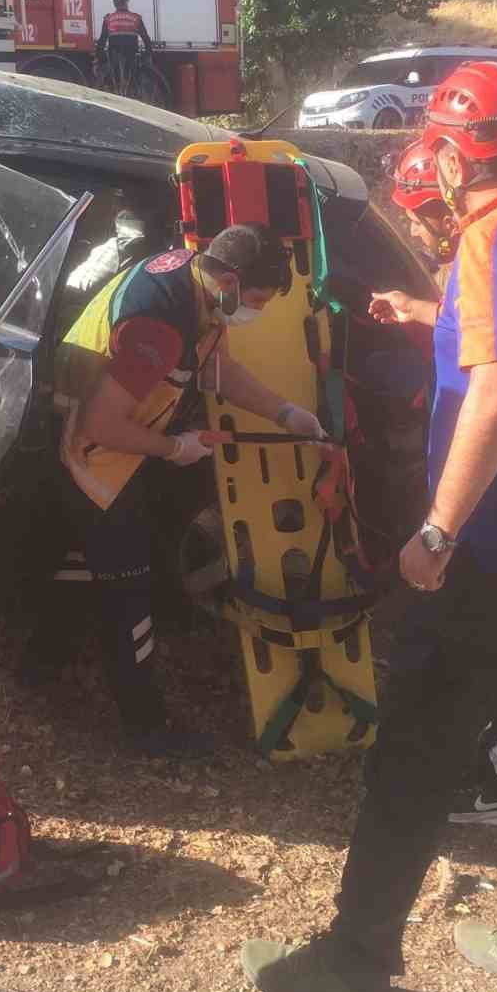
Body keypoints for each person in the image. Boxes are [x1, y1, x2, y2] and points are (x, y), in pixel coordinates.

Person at [242, 61, 497, 992]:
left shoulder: (491, 239)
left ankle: (353, 965)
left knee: (415, 752)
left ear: (460, 156)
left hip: (494, 558)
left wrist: (436, 529)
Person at [44, 221, 324, 757]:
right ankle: (145, 728)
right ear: (231, 280)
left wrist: (285, 413)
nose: (258, 312)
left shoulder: (194, 280)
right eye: (258, 300)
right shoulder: (159, 322)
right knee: (126, 586)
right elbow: (99, 427)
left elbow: (214, 366)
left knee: (128, 553)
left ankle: (50, 660)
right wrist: (177, 448)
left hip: (122, 428)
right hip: (92, 450)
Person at [373, 141, 497, 830]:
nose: (410, 229)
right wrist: (417, 309)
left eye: (412, 216)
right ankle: (490, 773)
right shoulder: (472, 263)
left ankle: (493, 784)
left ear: (440, 204)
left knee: (471, 635)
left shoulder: (482, 256)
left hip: (479, 489)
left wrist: (442, 526)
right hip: (477, 484)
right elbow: (478, 335)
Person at [96, 0, 153, 93]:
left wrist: (101, 59)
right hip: (132, 58)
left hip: (114, 59)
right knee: (134, 83)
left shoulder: (108, 19)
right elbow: (146, 39)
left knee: (110, 82)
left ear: (115, 4)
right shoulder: (136, 18)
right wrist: (147, 55)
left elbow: (102, 41)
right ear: (126, 2)